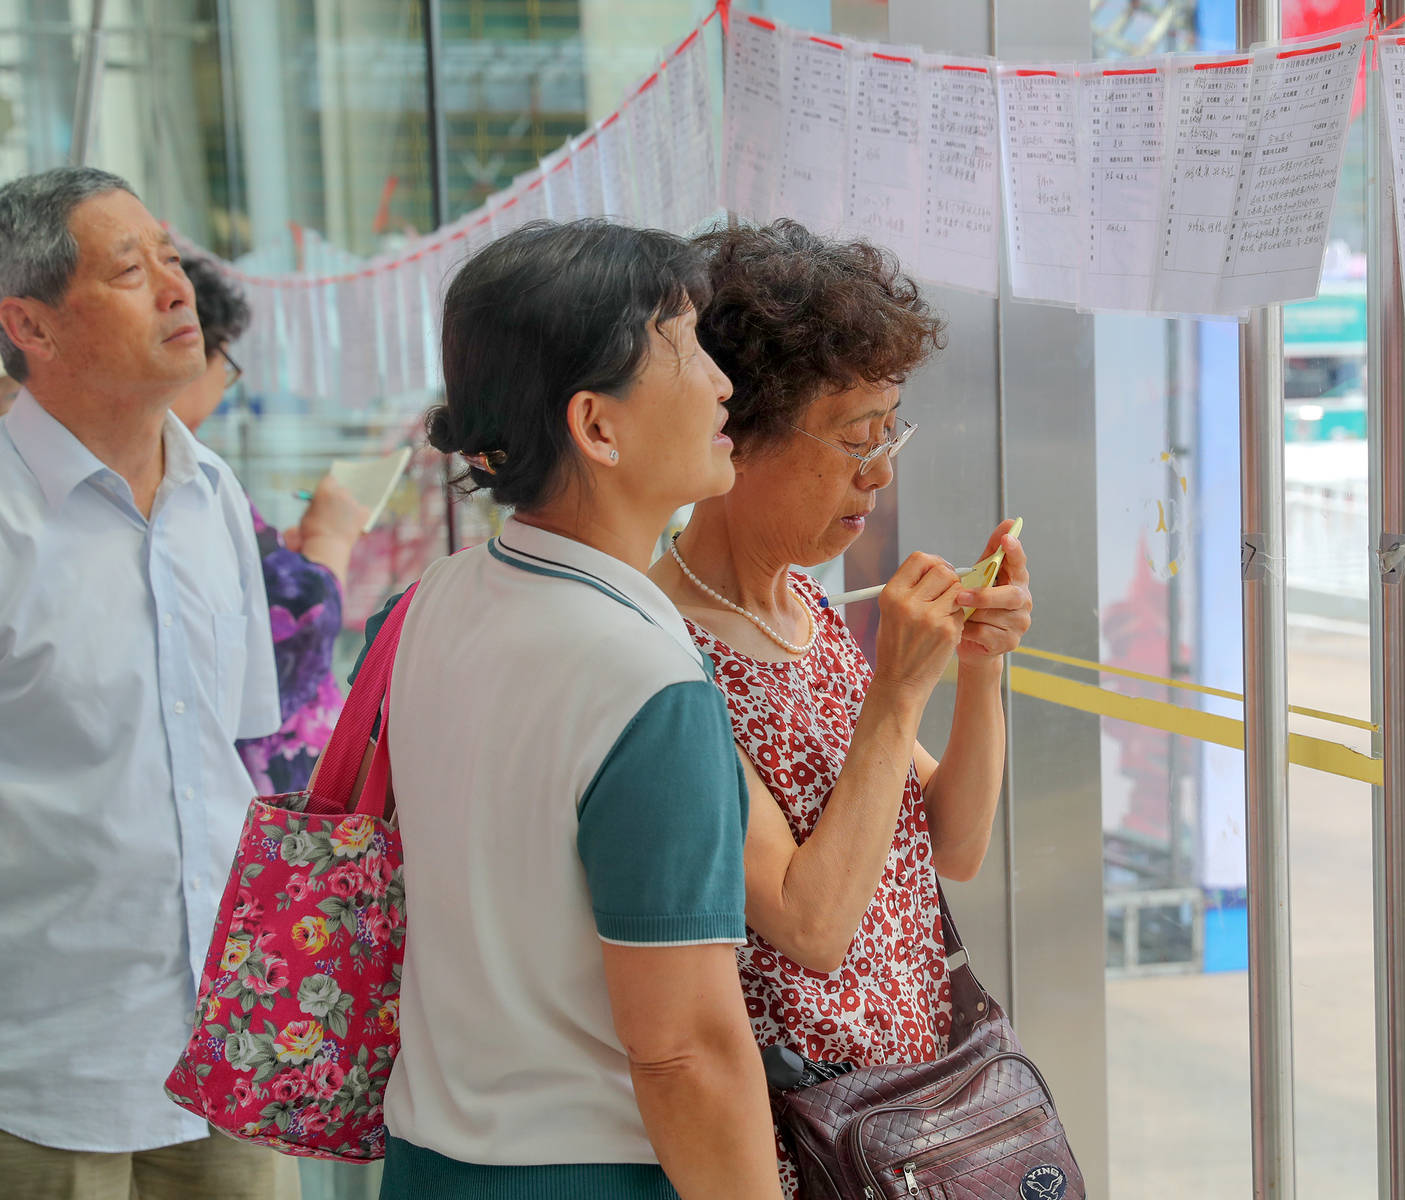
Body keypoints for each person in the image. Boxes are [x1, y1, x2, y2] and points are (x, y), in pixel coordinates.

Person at [363, 220, 781, 1199]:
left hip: (426, 1163)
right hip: (588, 1173)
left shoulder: (422, 607)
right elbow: (682, 1052)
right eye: (688, 352)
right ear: (598, 425)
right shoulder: (641, 678)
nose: (724, 385)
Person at [646, 220, 1033, 1196]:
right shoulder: (661, 650)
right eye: (857, 437)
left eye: (890, 431)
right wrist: (899, 690)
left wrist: (980, 667)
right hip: (806, 1147)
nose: (881, 472)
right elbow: (807, 923)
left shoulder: (805, 606)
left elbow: (952, 844)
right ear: (734, 435)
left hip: (910, 1118)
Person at [0, 168, 291, 1196]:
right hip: (42, 1076)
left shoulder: (215, 495)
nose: (177, 290)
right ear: (27, 324)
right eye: (130, 270)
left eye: (170, 257)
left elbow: (234, 757)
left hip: (227, 1051)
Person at [167, 255, 370, 794]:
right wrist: (330, 542)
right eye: (225, 363)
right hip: (247, 789)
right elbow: (295, 620)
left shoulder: (196, 472)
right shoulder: (187, 473)